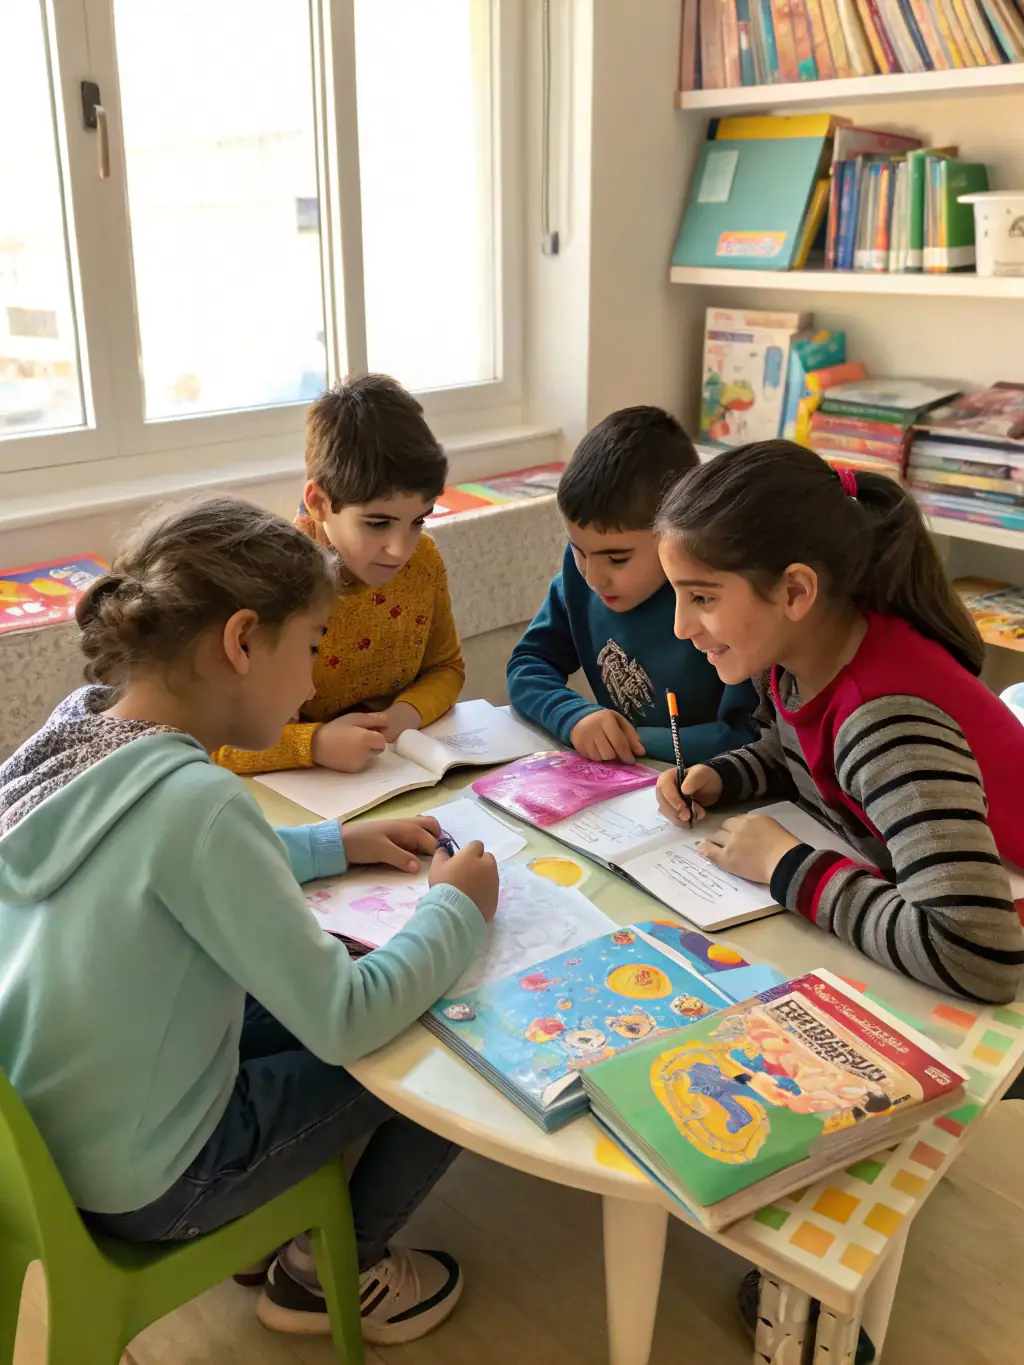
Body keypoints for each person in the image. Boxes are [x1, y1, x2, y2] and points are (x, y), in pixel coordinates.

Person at [0, 497, 499, 1345]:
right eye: (310, 646)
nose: (313, 681)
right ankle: (326, 1272)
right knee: (436, 1040)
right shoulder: (199, 804)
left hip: (52, 1142)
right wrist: (458, 906)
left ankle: (269, 1228)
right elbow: (346, 1019)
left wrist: (332, 844)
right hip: (159, 1181)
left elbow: (176, 864)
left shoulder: (74, 733)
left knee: (310, 987)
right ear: (240, 641)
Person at [654, 439, 1024, 1007]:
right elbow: (807, 759)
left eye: (701, 597)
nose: (681, 627)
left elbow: (977, 955)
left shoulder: (887, 723)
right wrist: (724, 777)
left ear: (796, 591)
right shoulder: (800, 659)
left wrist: (787, 867)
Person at [213, 373, 465, 776]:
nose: (401, 549)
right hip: (297, 799)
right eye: (378, 523)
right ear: (318, 502)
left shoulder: (424, 561)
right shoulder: (269, 583)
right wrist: (312, 744)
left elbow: (446, 667)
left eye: (418, 520)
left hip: (393, 773)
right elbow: (210, 738)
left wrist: (401, 718)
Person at [507, 406, 758, 764]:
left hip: (716, 789)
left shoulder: (717, 599)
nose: (593, 577)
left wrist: (628, 739)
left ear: (676, 536)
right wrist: (575, 716)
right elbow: (528, 663)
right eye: (578, 551)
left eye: (617, 559)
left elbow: (751, 735)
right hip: (627, 790)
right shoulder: (581, 578)